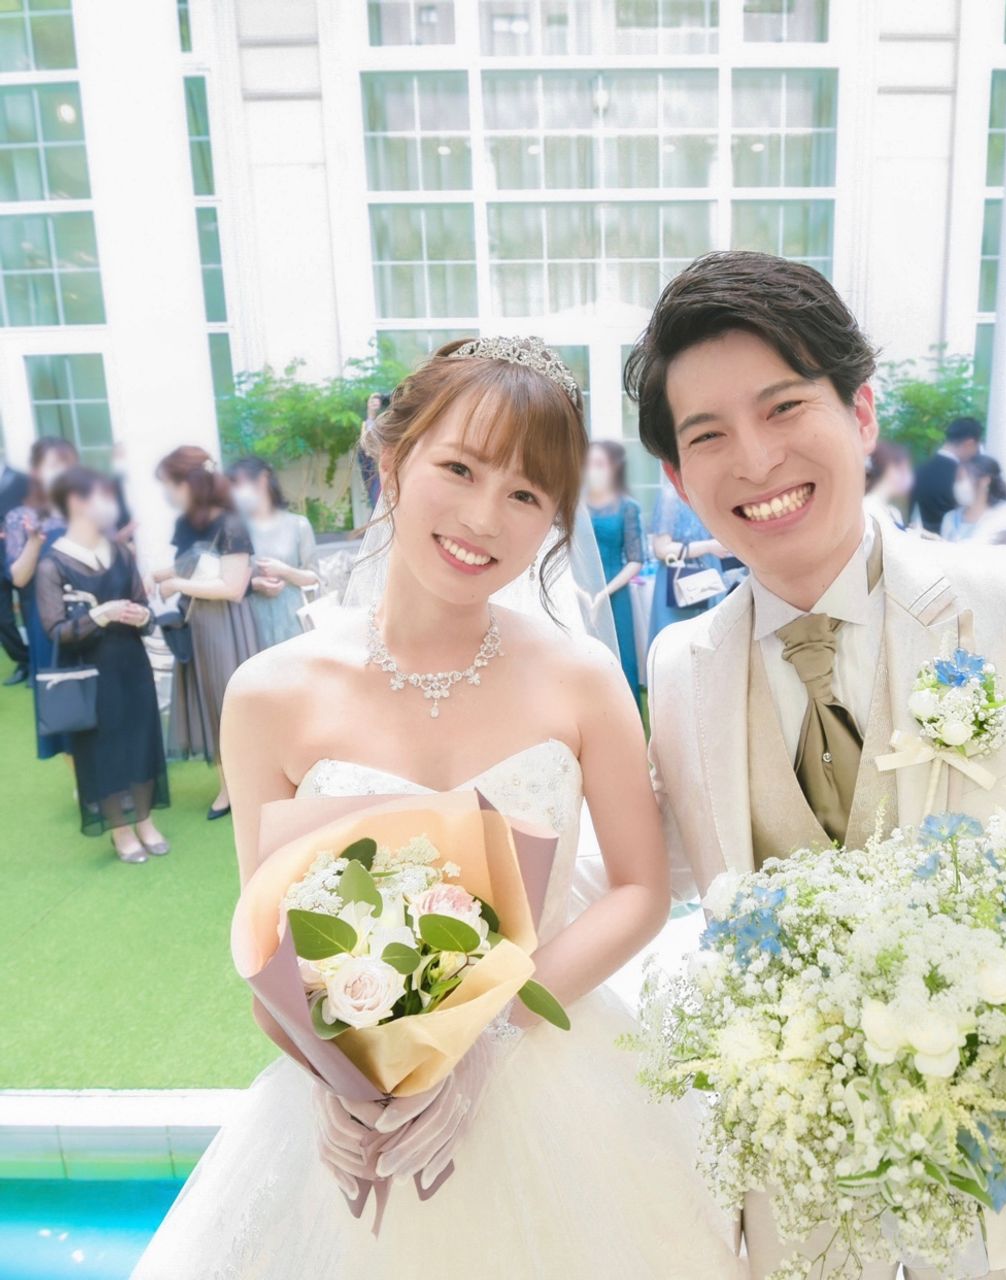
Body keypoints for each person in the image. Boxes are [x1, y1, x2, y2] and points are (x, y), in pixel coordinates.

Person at [627, 249, 1006, 1280]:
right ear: (678, 480)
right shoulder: (679, 667)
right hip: (814, 1211)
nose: (755, 459)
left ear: (860, 413)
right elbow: (665, 870)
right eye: (708, 434)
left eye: (783, 406)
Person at [129, 337, 742, 1279]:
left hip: (550, 1072)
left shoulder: (583, 679)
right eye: (459, 469)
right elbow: (269, 944)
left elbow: (639, 891)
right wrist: (337, 1077)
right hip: (361, 1107)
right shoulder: (268, 695)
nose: (483, 518)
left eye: (526, 495)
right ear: (391, 459)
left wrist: (484, 1038)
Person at [35, 467, 170, 863]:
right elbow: (55, 630)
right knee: (103, 750)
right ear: (76, 502)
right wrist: (101, 614)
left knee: (141, 739)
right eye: (101, 497)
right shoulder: (53, 564)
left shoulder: (121, 552)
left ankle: (145, 820)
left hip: (132, 663)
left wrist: (139, 616)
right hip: (90, 673)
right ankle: (120, 830)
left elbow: (145, 609)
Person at [152, 447, 260, 819]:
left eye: (169, 485)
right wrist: (164, 574)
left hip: (226, 627)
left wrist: (176, 583)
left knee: (229, 703)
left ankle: (250, 784)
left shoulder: (231, 523)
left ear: (190, 483)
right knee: (208, 703)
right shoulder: (186, 524)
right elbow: (193, 563)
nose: (167, 493)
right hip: (195, 623)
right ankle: (227, 785)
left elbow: (233, 586)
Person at [5, 438, 78, 760]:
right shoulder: (20, 517)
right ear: (37, 472)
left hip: (94, 619)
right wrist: (34, 541)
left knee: (105, 702)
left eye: (67, 464)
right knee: (65, 707)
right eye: (53, 465)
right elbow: (18, 577)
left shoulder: (88, 508)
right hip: (49, 624)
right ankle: (82, 780)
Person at [227, 457, 320, 648]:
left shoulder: (298, 524)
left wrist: (285, 571)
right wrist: (255, 584)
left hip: (293, 625)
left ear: (262, 480)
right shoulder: (235, 529)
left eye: (240, 484)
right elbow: (227, 581)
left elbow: (313, 577)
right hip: (250, 625)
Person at [584, 440, 645, 705]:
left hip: (616, 593)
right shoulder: (574, 506)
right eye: (589, 464)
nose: (593, 470)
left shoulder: (627, 507)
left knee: (620, 659)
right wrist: (580, 591)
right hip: (579, 591)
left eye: (599, 464)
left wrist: (604, 593)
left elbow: (636, 560)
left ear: (614, 468)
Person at [648, 472, 729, 641]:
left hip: (709, 579)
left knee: (710, 640)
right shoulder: (670, 495)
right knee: (677, 643)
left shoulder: (710, 492)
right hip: (677, 581)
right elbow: (661, 549)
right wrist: (708, 546)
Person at [911, 415, 983, 534]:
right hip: (952, 542)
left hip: (919, 539)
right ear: (969, 444)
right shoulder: (963, 477)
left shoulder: (920, 469)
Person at [0, 455, 31, 685]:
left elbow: (35, 515)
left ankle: (39, 662)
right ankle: (23, 660)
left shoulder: (22, 480)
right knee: (3, 619)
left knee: (31, 613)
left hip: (22, 556)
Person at [940, 455, 1006, 546]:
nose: (958, 485)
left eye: (962, 478)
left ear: (985, 481)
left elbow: (979, 548)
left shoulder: (1002, 515)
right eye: (957, 480)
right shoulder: (950, 518)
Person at [862, 439, 913, 531]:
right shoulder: (867, 507)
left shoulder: (893, 512)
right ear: (892, 470)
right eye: (904, 469)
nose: (909, 476)